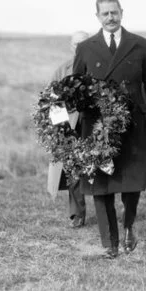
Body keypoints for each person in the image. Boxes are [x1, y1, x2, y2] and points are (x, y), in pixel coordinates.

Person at [73, 0, 146, 259]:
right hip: (97, 127)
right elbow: (75, 87)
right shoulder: (86, 48)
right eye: (105, 14)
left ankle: (128, 226)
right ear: (97, 17)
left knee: (131, 182)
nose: (111, 18)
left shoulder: (139, 44)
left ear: (122, 13)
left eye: (114, 13)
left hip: (133, 126)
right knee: (100, 185)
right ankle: (109, 244)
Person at [50, 31, 90, 228]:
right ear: (71, 46)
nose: (79, 47)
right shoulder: (62, 70)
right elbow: (52, 100)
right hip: (71, 127)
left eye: (83, 43)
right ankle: (77, 213)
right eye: (76, 44)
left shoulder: (99, 67)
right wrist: (61, 127)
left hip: (94, 126)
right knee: (74, 170)